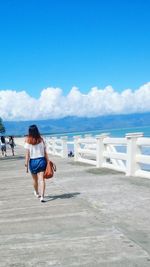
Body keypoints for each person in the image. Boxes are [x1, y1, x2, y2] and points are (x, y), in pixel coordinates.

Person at [24, 125, 48, 202]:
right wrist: (48, 161)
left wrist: (26, 164)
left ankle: (37, 193)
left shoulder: (28, 141)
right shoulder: (41, 140)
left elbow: (27, 154)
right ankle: (42, 197)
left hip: (33, 162)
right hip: (41, 161)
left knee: (35, 180)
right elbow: (45, 152)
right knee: (42, 180)